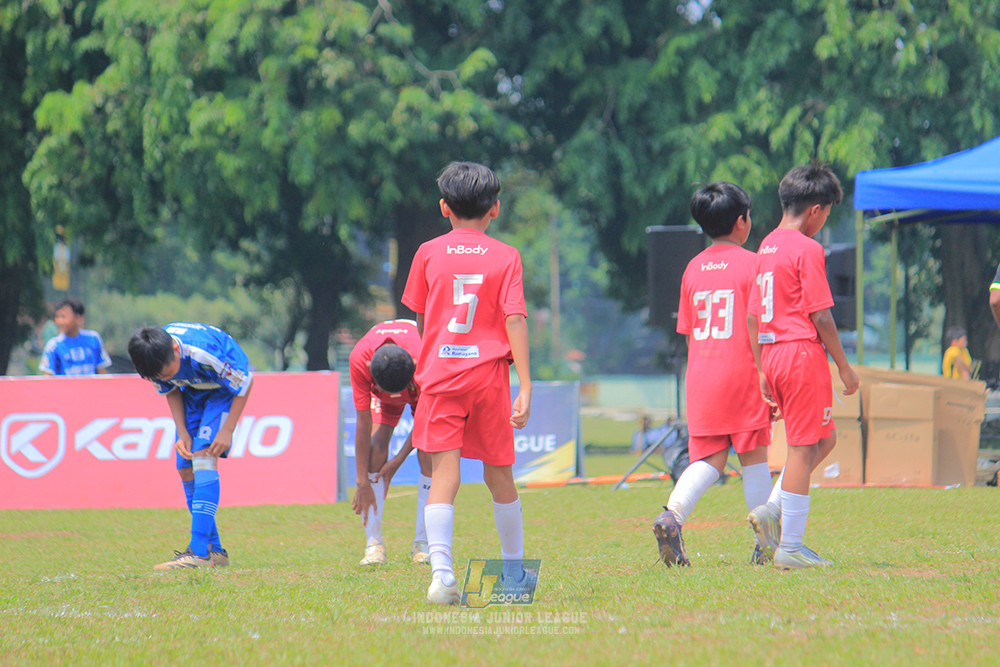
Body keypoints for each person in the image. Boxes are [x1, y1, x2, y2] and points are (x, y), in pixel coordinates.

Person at [401, 161, 532, 605]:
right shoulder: (506, 255)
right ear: (494, 209)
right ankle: (513, 574)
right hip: (490, 376)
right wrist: (526, 383)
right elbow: (515, 317)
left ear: (444, 207)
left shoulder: (426, 252)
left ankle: (442, 576)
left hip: (440, 376)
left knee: (444, 474)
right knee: (499, 473)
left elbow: (421, 317)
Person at [652, 182, 775, 567]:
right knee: (754, 457)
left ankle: (671, 515)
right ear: (742, 222)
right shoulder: (755, 263)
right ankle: (767, 542)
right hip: (742, 372)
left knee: (707, 460)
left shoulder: (692, 268)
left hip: (701, 376)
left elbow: (688, 334)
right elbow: (760, 326)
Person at [746, 164, 859, 570]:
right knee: (803, 448)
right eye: (827, 213)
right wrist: (845, 368)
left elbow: (753, 317)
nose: (824, 221)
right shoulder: (808, 249)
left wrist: (762, 369)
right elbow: (822, 316)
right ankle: (790, 547)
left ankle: (774, 510)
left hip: (774, 353)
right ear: (815, 209)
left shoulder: (766, 247)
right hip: (800, 353)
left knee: (823, 441)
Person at [127, 323, 253, 570]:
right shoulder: (153, 357)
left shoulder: (202, 352)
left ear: (176, 349)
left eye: (166, 372)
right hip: (192, 391)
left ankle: (198, 553)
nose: (163, 378)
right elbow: (171, 389)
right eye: (158, 377)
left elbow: (245, 383)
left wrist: (227, 429)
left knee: (203, 456)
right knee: (185, 467)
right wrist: (182, 431)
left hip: (223, 390)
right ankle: (214, 551)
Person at [349, 319, 433, 566]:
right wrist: (361, 480)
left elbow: (425, 419)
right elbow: (363, 424)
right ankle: (373, 544)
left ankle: (422, 543)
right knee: (375, 452)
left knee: (427, 453)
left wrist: (398, 460)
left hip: (418, 390)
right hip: (386, 389)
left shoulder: (425, 355)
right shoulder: (359, 360)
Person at [39, 297, 112, 375]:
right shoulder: (54, 345)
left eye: (63, 317)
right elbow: (48, 377)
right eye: (57, 317)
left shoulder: (93, 339)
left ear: (78, 318)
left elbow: (102, 372)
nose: (60, 322)